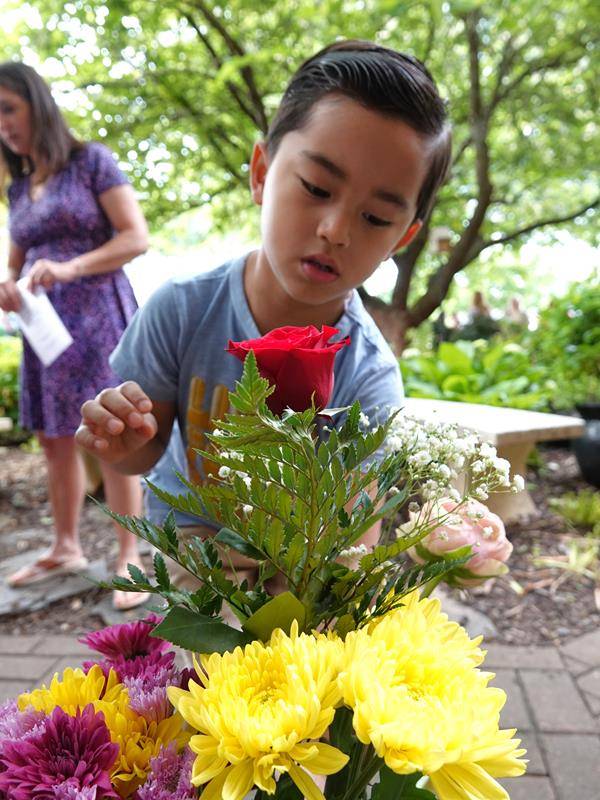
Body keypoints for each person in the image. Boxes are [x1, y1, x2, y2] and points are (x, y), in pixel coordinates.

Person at [75, 40, 452, 582]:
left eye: (374, 218)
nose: (336, 230)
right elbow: (141, 454)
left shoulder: (368, 376)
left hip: (304, 560)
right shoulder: (181, 311)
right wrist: (122, 442)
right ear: (260, 173)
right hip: (194, 547)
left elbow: (352, 542)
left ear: (402, 238)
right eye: (317, 188)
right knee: (214, 660)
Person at [0, 61, 149, 609]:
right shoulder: (19, 188)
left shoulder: (92, 162)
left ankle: (129, 553)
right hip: (44, 332)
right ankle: (65, 547)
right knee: (54, 439)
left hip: (96, 320)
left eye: (8, 109)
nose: (2, 125)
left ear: (36, 105)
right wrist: (8, 286)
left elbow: (136, 237)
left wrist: (69, 268)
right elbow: (15, 263)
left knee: (110, 432)